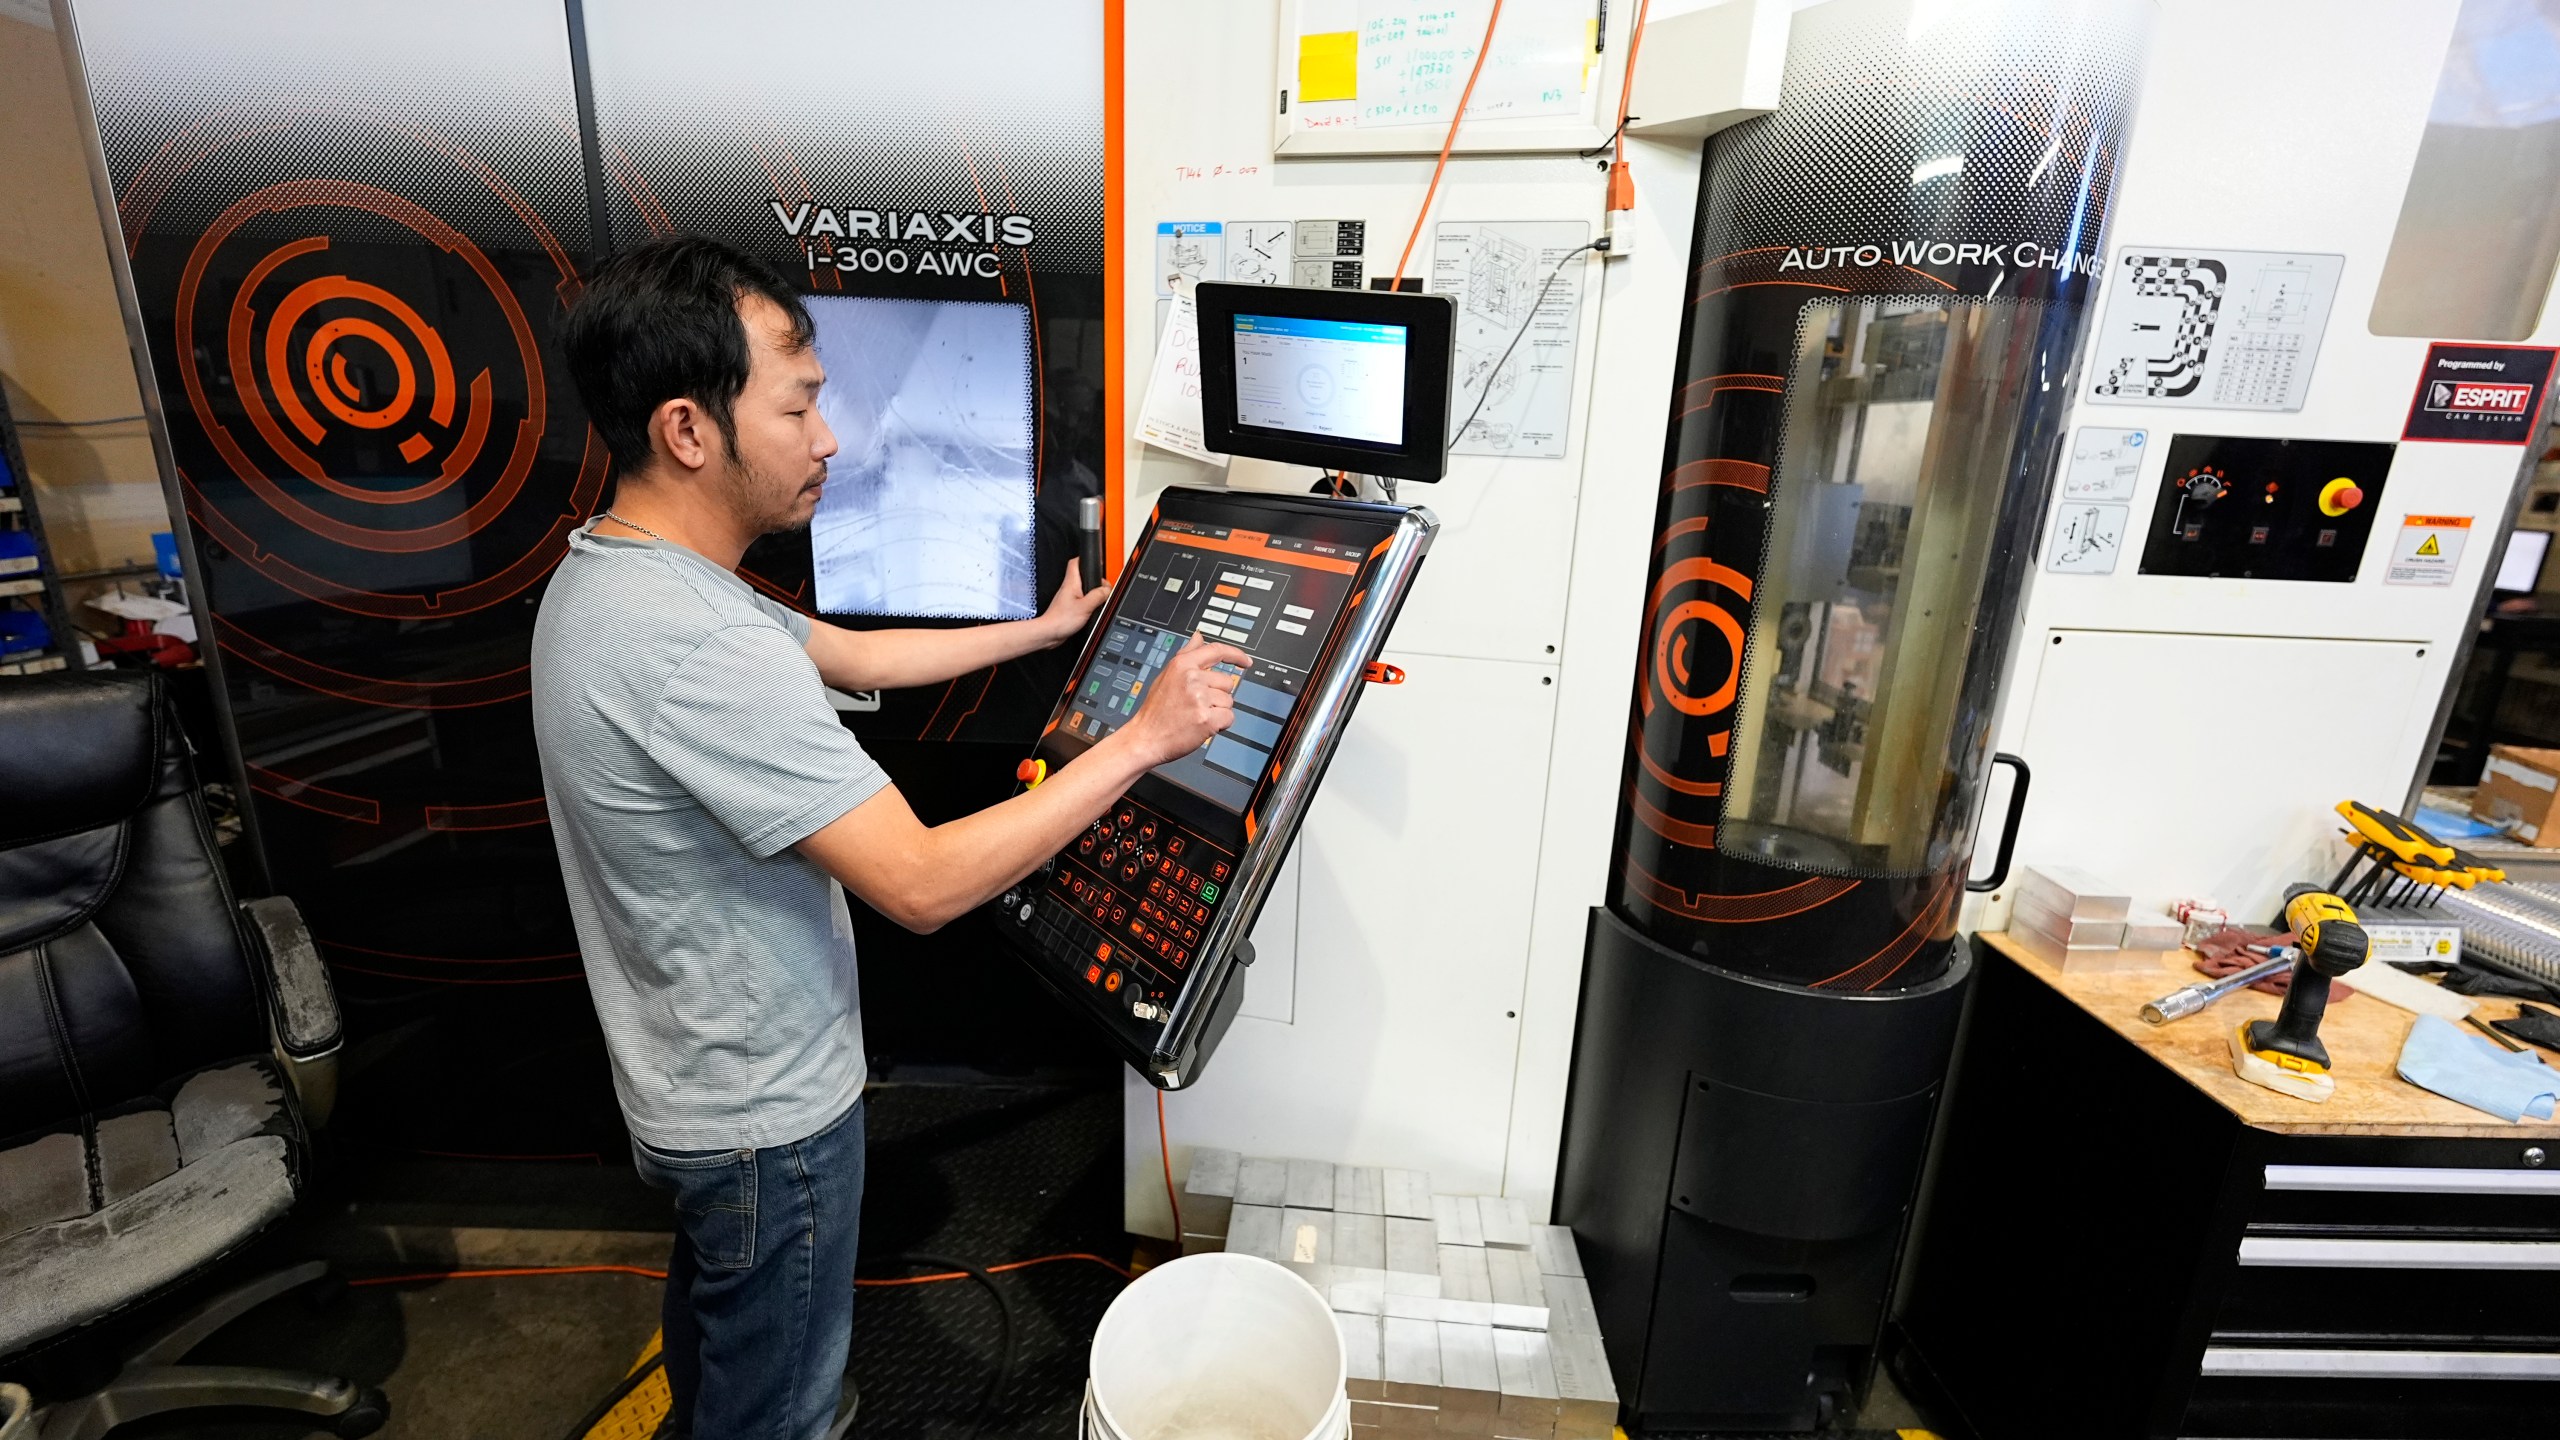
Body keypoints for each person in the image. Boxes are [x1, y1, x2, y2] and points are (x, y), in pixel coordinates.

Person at [533, 234, 1246, 1440]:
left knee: (725, 1347)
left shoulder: (624, 578)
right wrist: (1143, 741)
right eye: (800, 405)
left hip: (692, 1094)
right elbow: (918, 883)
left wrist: (1042, 631)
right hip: (765, 1121)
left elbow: (853, 658)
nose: (829, 439)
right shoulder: (694, 646)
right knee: (781, 1410)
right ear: (688, 430)